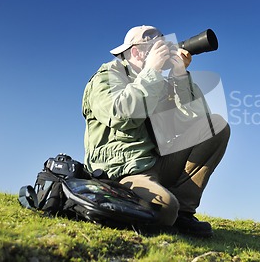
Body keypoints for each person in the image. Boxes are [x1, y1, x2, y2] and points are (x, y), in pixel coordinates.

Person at [82, 25, 230, 237]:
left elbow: (195, 122)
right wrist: (151, 72)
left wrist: (180, 76)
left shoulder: (158, 81)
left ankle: (184, 214)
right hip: (121, 171)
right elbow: (124, 116)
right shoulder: (106, 76)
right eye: (155, 46)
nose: (162, 50)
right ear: (135, 51)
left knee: (216, 126)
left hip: (156, 162)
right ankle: (156, 207)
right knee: (164, 209)